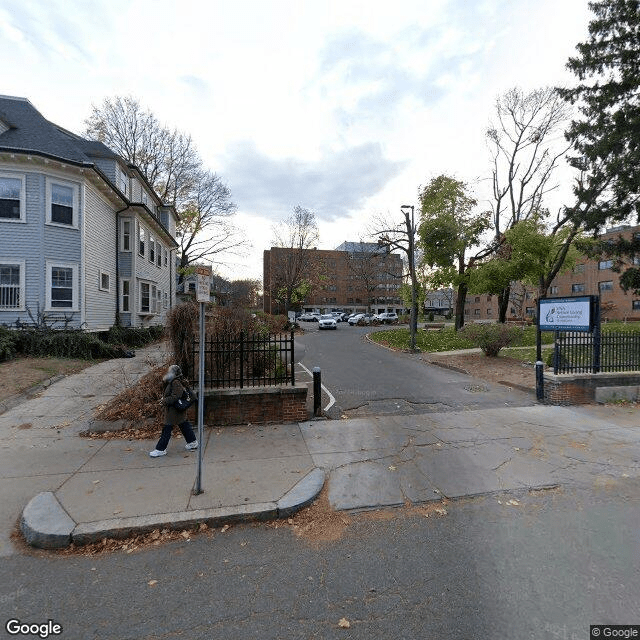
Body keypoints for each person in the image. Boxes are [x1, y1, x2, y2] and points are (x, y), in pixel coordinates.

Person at [149, 364, 198, 457]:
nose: (168, 373)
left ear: (175, 373)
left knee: (167, 429)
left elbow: (176, 396)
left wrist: (164, 400)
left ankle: (160, 449)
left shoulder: (176, 382)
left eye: (170, 371)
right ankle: (192, 442)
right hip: (177, 410)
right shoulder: (174, 381)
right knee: (184, 425)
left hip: (173, 410)